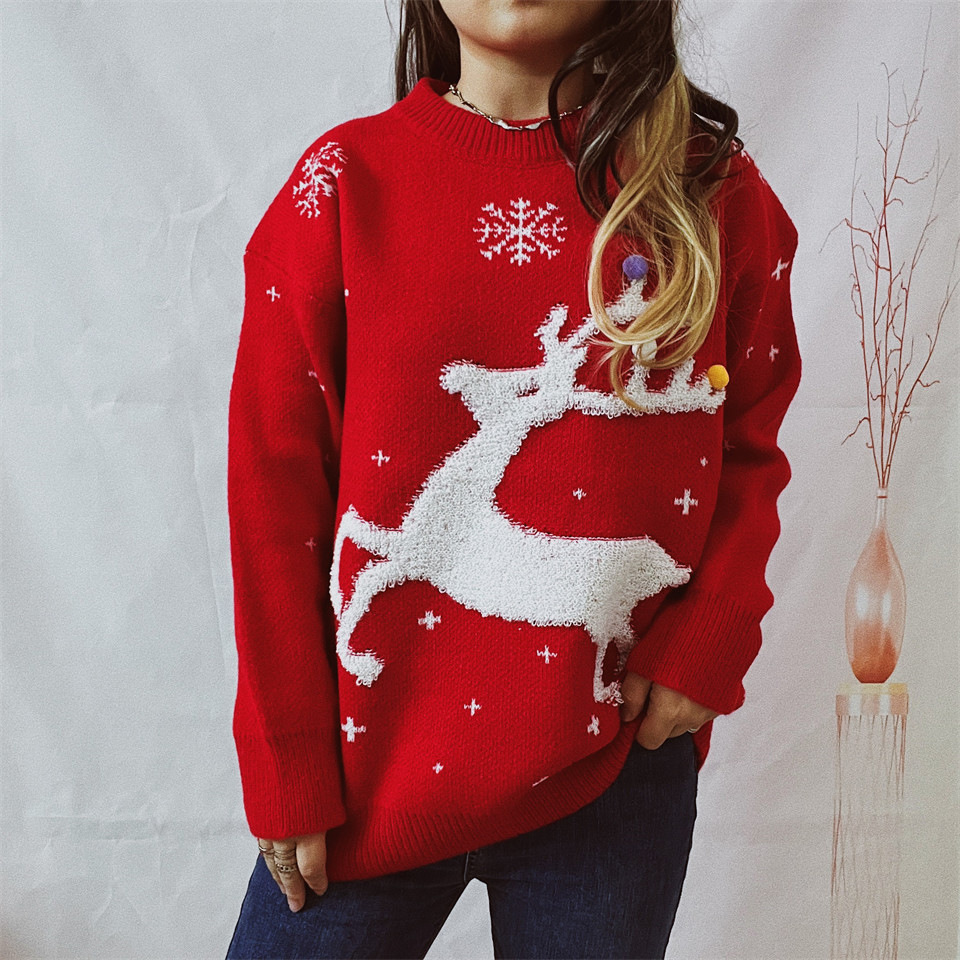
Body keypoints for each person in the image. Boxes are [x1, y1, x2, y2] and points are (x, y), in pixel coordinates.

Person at [224, 0, 802, 956]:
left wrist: (709, 639)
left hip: (613, 764)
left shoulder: (706, 187)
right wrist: (286, 758)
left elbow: (751, 433)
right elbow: (273, 494)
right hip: (371, 770)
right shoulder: (341, 187)